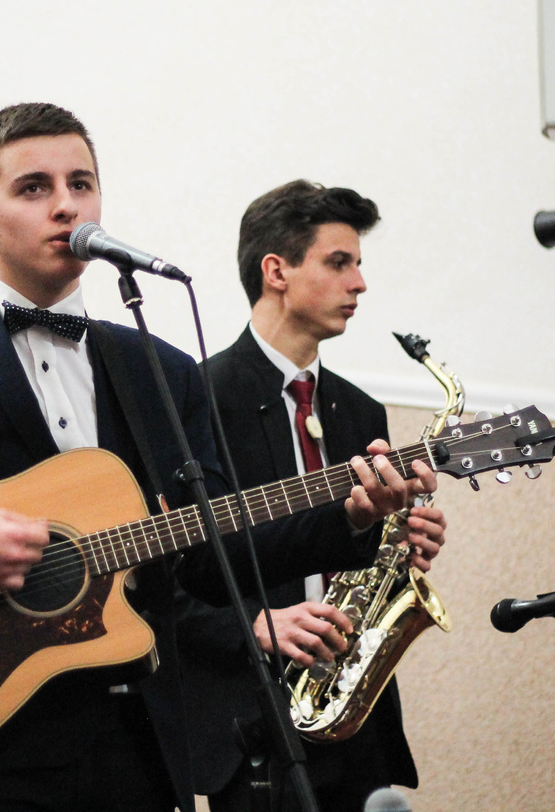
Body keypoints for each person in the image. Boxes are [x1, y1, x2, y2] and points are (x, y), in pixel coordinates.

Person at [0, 105, 440, 812]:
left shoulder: (159, 370)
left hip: (138, 746)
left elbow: (216, 554)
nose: (65, 205)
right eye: (34, 187)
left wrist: (350, 516)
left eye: (81, 184)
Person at [177, 180, 447, 812]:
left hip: (355, 712)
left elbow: (362, 556)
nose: (360, 284)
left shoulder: (360, 409)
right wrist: (252, 625)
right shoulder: (196, 397)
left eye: (358, 263)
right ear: (277, 271)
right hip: (251, 721)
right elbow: (168, 575)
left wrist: (401, 543)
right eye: (339, 262)